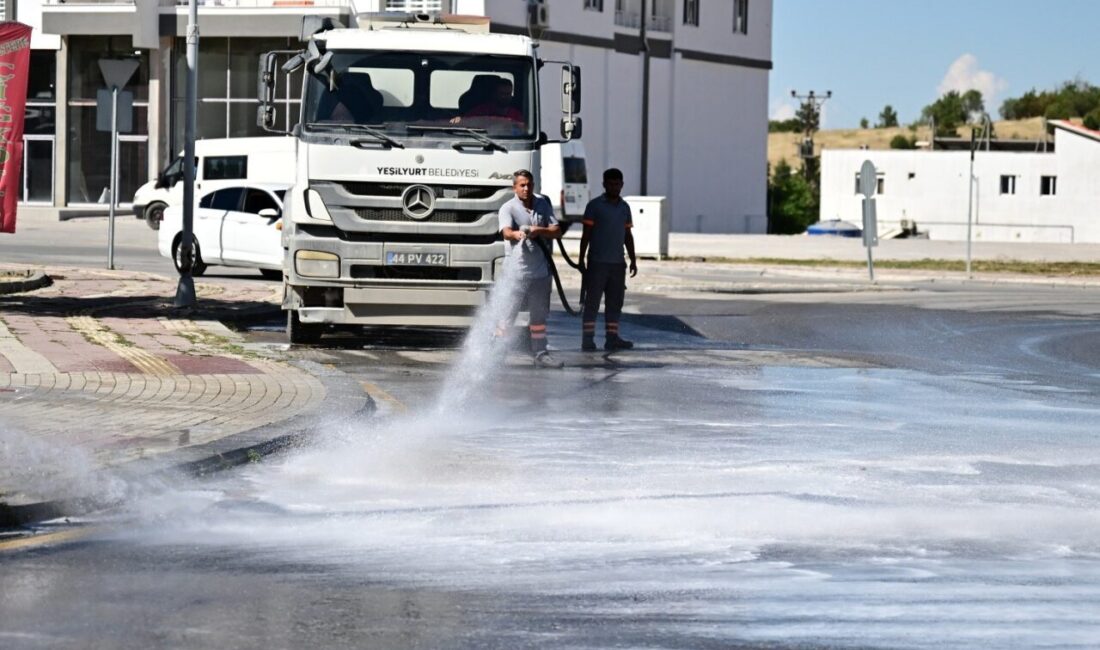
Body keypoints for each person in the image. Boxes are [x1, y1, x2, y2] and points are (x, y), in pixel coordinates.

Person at [498, 169, 564, 369]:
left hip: (540, 273)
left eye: (529, 185)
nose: (526, 189)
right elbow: (506, 232)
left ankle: (541, 353)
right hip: (516, 273)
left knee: (538, 316)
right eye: (522, 185)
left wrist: (538, 230)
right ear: (515, 187)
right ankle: (496, 353)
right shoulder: (508, 208)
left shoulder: (542, 204)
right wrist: (517, 235)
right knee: (508, 313)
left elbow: (557, 230)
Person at [579, 168, 638, 352]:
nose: (614, 187)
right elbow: (586, 235)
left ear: (622, 185)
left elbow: (627, 235)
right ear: (604, 184)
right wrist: (581, 259)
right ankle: (588, 340)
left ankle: (612, 339)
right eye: (610, 184)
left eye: (617, 184)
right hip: (597, 264)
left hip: (617, 265)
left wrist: (633, 259)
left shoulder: (624, 208)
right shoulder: (594, 206)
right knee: (592, 303)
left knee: (615, 304)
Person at [451, 78, 524, 127]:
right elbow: (464, 123)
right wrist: (458, 120)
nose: (505, 97)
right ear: (494, 94)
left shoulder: (516, 115)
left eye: (508, 94)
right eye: (502, 93)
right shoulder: (480, 112)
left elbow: (523, 130)